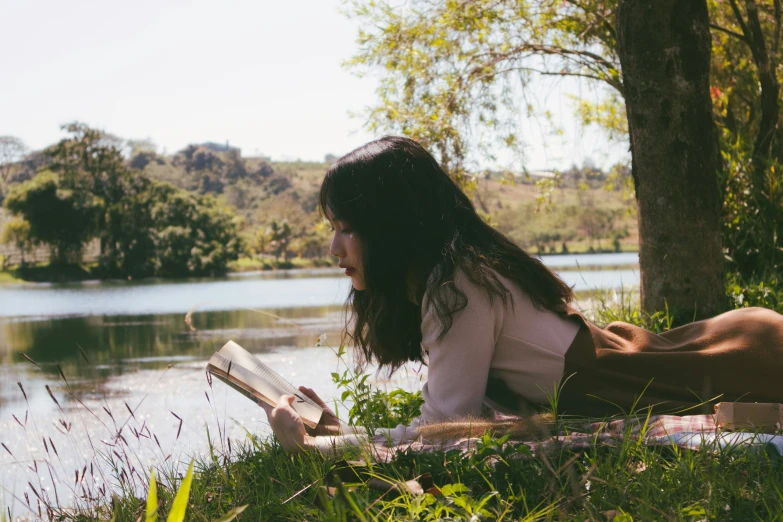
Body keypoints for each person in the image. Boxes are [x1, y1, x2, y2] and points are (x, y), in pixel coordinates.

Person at [258, 136, 783, 454]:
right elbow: (458, 423)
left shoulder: (457, 286)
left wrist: (324, 446)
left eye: (347, 228)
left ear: (391, 228)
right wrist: (337, 431)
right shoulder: (456, 274)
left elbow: (443, 432)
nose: (334, 248)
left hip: (743, 362)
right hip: (700, 353)